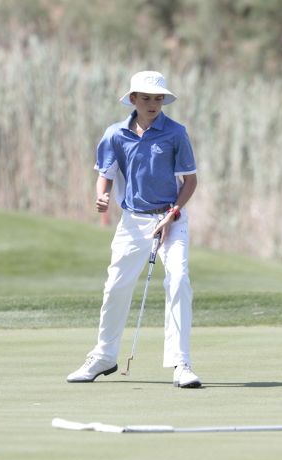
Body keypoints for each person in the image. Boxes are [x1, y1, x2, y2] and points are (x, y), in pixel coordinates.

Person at [67, 71, 201, 388]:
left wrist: (173, 213)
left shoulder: (176, 133)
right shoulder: (115, 134)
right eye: (146, 98)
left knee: (179, 281)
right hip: (132, 222)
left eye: (158, 98)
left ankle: (181, 363)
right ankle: (103, 356)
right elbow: (106, 173)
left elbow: (190, 181)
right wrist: (102, 195)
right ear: (133, 100)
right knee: (115, 286)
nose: (153, 104)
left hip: (171, 219)